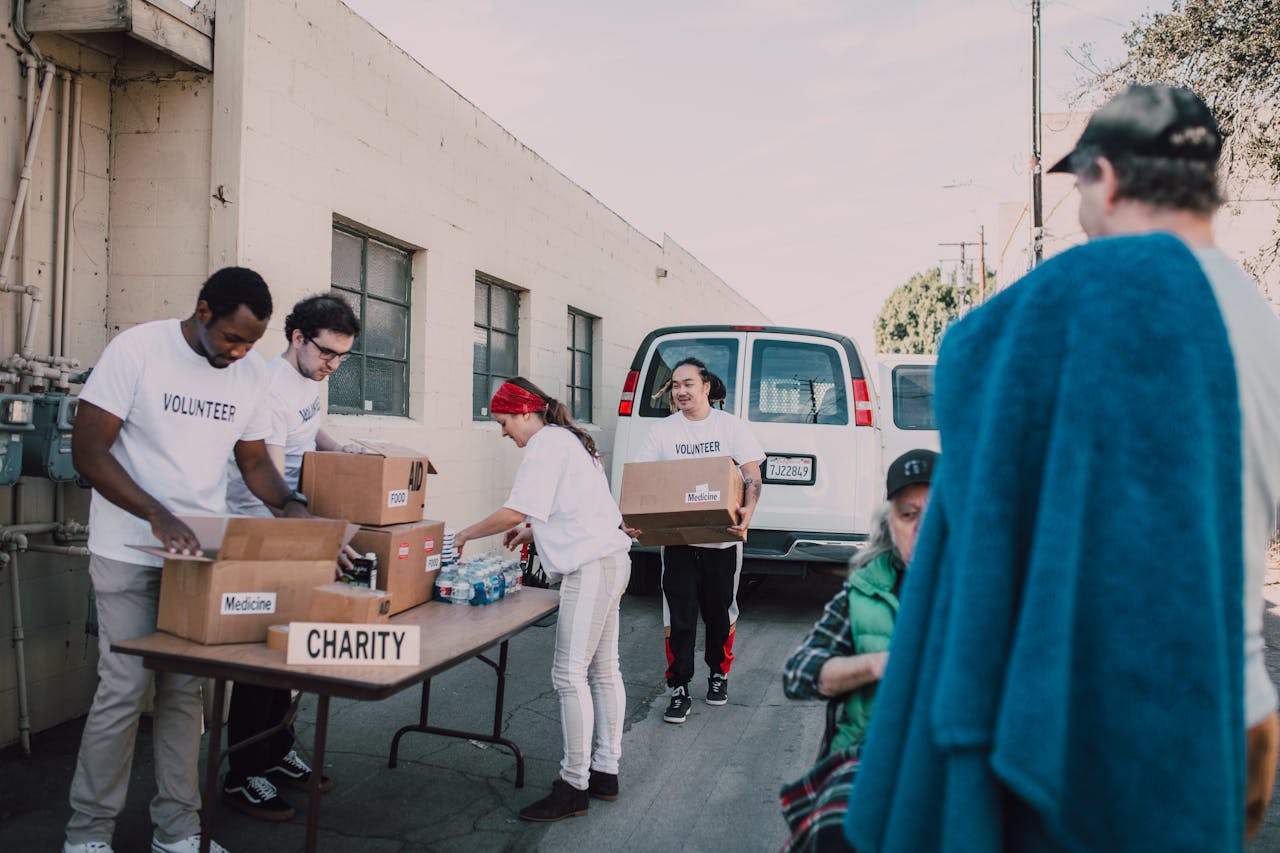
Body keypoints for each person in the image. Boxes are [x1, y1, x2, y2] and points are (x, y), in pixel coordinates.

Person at [843, 85, 1280, 852]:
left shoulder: (1107, 314)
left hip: (1100, 724)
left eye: (1079, 190)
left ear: (1104, 179)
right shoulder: (1262, 326)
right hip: (1242, 713)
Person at [66, 267, 314, 853]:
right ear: (203, 312)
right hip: (127, 549)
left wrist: (292, 505)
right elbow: (88, 451)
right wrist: (156, 512)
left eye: (252, 342)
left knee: (184, 697)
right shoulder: (138, 349)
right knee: (123, 690)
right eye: (232, 337)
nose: (241, 351)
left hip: (197, 559)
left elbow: (253, 462)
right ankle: (87, 835)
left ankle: (178, 832)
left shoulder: (251, 373)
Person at [453, 377, 633, 823]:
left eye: (503, 422)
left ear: (525, 413)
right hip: (609, 560)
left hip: (591, 568)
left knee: (569, 674)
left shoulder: (546, 444)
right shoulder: (566, 440)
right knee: (603, 670)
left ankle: (574, 785)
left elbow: (517, 507)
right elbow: (578, 507)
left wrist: (465, 534)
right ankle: (605, 773)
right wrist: (533, 530)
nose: (503, 433)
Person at [219, 294, 362, 822]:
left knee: (291, 654)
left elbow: (309, 432)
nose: (333, 366)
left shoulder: (309, 380)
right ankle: (242, 774)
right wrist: (316, 537)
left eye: (343, 357)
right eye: (328, 354)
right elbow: (271, 480)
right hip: (263, 532)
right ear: (298, 338)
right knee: (262, 659)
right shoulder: (268, 388)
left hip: (294, 528)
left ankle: (276, 754)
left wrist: (341, 450)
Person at [777, 449, 935, 853]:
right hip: (871, 751)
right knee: (841, 832)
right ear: (889, 524)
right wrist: (879, 664)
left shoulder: (990, 590)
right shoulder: (864, 591)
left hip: (950, 752)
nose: (923, 528)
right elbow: (798, 675)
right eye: (908, 514)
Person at [632, 357, 764, 723]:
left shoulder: (731, 427)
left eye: (688, 383)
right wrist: (635, 518)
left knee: (720, 613)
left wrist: (748, 512)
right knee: (680, 615)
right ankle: (679, 687)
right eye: (675, 385)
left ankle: (718, 675)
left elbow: (752, 477)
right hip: (678, 542)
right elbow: (644, 482)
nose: (681, 391)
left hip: (723, 542)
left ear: (706, 387)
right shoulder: (663, 432)